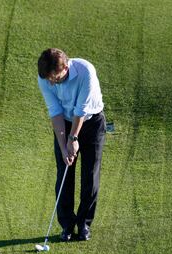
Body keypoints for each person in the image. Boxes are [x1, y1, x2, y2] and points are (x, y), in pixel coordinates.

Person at [37, 48, 106, 241]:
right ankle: (66, 224)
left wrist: (73, 139)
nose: (51, 82)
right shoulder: (45, 78)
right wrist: (63, 145)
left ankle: (84, 223)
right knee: (64, 171)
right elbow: (55, 111)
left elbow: (81, 110)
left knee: (90, 175)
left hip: (92, 122)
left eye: (55, 78)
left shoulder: (86, 71)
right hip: (64, 123)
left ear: (66, 67)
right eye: (49, 78)